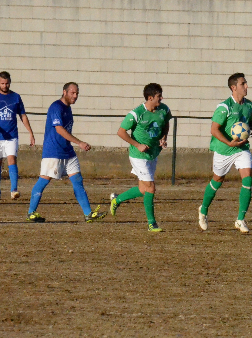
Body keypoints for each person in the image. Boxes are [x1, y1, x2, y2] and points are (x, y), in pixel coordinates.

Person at [26, 82, 106, 223]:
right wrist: (79, 142)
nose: (75, 96)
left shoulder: (68, 109)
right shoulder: (56, 107)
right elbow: (59, 129)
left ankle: (88, 213)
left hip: (67, 151)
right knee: (44, 180)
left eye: (77, 93)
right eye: (72, 93)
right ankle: (31, 212)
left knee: (77, 180)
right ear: (64, 92)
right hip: (53, 151)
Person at [198, 73, 252, 234]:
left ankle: (240, 219)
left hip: (241, 149)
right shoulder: (224, 107)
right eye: (243, 84)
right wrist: (228, 142)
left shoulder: (249, 105)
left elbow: (249, 122)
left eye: (246, 83)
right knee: (217, 180)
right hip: (224, 150)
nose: (246, 86)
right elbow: (214, 129)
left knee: (248, 179)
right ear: (234, 88)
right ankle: (203, 210)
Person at [109, 83, 172, 232]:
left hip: (153, 153)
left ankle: (116, 200)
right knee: (151, 187)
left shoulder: (164, 109)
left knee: (143, 189)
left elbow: (166, 124)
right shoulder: (136, 113)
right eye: (158, 96)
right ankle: (152, 224)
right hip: (138, 155)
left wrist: (163, 137)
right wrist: (137, 145)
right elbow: (121, 132)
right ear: (150, 98)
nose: (161, 98)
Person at [0, 71, 36, 200]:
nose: (5, 86)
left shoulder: (16, 97)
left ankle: (14, 190)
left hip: (11, 136)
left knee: (12, 159)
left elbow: (23, 116)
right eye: (2, 83)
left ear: (10, 83)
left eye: (7, 83)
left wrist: (30, 132)